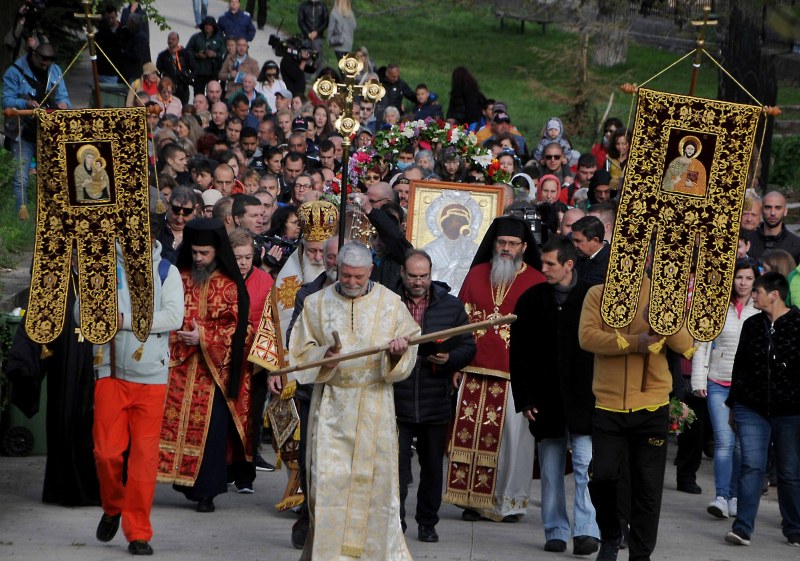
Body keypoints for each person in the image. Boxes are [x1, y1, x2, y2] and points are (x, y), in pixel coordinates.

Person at [288, 242, 420, 560]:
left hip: (375, 403)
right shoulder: (316, 304)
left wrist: (399, 352)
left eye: (358, 276)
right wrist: (325, 355)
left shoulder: (391, 303)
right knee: (329, 484)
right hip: (331, 406)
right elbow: (299, 353)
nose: (351, 282)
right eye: (345, 275)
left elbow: (411, 340)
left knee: (375, 488)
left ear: (370, 271)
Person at [579, 276, 693, 561]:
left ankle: (641, 555)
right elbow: (587, 337)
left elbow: (685, 344)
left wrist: (662, 321)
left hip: (652, 406)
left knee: (648, 487)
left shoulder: (662, 293)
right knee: (602, 477)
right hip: (608, 406)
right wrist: (633, 343)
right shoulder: (597, 293)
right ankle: (610, 534)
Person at [91, 218, 184, 556]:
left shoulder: (166, 272)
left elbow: (174, 317)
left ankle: (138, 532)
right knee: (106, 453)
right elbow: (77, 313)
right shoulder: (100, 267)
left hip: (151, 377)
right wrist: (92, 313)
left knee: (143, 461)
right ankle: (113, 505)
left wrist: (123, 322)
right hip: (110, 371)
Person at [443, 216, 545, 522]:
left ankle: (509, 503)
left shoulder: (536, 281)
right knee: (470, 435)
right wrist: (455, 361)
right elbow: (459, 323)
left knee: (514, 441)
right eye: (501, 243)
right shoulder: (476, 274)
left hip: (517, 375)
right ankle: (472, 501)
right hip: (474, 370)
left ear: (524, 247)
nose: (506, 248)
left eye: (513, 244)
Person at [509, 235, 600, 555]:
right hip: (545, 400)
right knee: (549, 470)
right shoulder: (532, 299)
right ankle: (556, 529)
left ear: (568, 265)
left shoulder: (592, 297)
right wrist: (526, 398)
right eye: (543, 262)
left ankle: (588, 529)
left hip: (584, 399)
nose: (543, 269)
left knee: (587, 467)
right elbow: (518, 353)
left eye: (550, 264)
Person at [157, 218, 252, 514]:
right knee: (167, 423)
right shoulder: (177, 277)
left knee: (210, 433)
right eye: (195, 252)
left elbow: (241, 331)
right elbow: (163, 313)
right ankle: (170, 479)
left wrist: (205, 336)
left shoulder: (230, 285)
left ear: (216, 251)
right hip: (178, 365)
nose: (198, 258)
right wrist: (181, 334)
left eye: (205, 253)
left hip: (214, 373)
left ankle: (206, 492)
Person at [394, 250, 476, 543]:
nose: (418, 282)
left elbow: (469, 346)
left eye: (423, 276)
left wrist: (450, 358)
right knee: (397, 469)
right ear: (402, 273)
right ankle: (396, 523)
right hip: (397, 398)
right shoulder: (388, 302)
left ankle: (427, 522)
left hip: (435, 397)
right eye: (413, 276)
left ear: (431, 274)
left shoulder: (450, 306)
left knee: (431, 467)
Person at [724, 272, 800, 547]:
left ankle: (795, 529)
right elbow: (740, 366)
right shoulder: (753, 325)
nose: (752, 295)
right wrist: (733, 404)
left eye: (757, 291)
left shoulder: (797, 323)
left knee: (789, 472)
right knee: (751, 466)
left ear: (774, 295)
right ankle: (742, 528)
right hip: (751, 406)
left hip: (790, 410)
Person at [691, 260, 759, 519]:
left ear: (755, 281)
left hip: (748, 387)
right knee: (723, 441)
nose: (742, 282)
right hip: (718, 382)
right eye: (739, 277)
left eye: (748, 278)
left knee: (741, 445)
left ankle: (734, 496)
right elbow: (702, 343)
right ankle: (720, 495)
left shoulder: (759, 309)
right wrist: (699, 381)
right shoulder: (716, 306)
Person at [2, 41, 71, 211]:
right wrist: (24, 103)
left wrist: (63, 104)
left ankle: (51, 216)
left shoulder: (55, 71)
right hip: (23, 130)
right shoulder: (14, 72)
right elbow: (5, 100)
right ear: (34, 55)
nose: (45, 65)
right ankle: (21, 216)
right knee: (21, 178)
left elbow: (64, 96)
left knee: (52, 177)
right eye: (42, 61)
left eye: (49, 62)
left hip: (48, 132)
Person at [746, 190, 800, 263]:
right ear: (761, 210)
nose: (773, 213)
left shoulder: (796, 245)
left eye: (778, 208)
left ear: (785, 211)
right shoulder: (747, 241)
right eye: (768, 207)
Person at [186, 17, 224, 99]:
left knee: (213, 95)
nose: (208, 27)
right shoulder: (196, 37)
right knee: (198, 96)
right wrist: (197, 55)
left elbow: (223, 54)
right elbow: (187, 51)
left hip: (213, 72)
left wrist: (214, 54)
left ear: (214, 27)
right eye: (206, 25)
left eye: (210, 25)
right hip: (198, 71)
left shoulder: (219, 40)